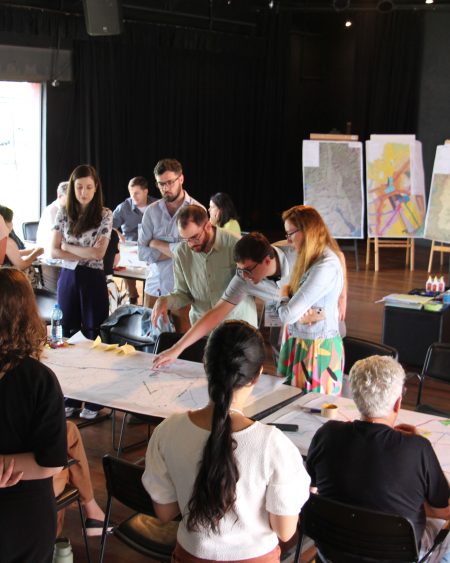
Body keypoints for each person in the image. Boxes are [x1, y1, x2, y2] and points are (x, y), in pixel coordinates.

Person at [143, 320, 310, 562]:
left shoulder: (167, 431)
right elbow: (285, 531)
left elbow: (165, 512)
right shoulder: (273, 444)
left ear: (205, 365)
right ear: (257, 376)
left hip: (190, 556)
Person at [306, 355, 450, 563]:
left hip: (331, 553)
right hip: (399, 557)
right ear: (398, 403)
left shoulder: (327, 434)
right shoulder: (418, 448)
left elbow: (311, 486)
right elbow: (444, 509)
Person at [152, 231, 311, 368]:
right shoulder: (243, 278)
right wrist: (177, 349)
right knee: (279, 348)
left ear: (267, 261)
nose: (244, 276)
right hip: (277, 305)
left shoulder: (301, 256)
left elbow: (327, 267)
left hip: (312, 313)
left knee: (306, 360)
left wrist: (323, 305)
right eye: (240, 270)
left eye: (247, 270)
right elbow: (215, 313)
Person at [0, 268, 67, 563]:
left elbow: (50, 462)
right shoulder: (39, 379)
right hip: (23, 515)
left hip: (21, 515)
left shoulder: (38, 380)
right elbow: (50, 462)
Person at [51, 164, 112, 419]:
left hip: (93, 279)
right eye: (79, 187)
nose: (83, 192)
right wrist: (76, 250)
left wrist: (68, 246)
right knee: (67, 334)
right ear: (72, 188)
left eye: (88, 187)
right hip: (68, 277)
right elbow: (53, 250)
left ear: (95, 188)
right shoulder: (64, 213)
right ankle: (72, 396)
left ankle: (94, 399)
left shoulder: (105, 214)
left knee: (92, 334)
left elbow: (98, 253)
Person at [151, 205, 257, 328]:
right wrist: (166, 300)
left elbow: (258, 285)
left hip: (239, 325)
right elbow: (183, 293)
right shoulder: (181, 252)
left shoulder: (236, 245)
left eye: (194, 237)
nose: (190, 245)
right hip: (203, 328)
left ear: (208, 226)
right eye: (185, 239)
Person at [276, 205, 344, 394]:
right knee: (287, 403)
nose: (288, 240)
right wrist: (309, 312)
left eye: (291, 234)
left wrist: (283, 294)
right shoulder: (307, 257)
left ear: (307, 231)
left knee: (311, 408)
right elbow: (293, 312)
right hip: (298, 341)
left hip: (316, 349)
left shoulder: (326, 265)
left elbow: (287, 315)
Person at [138, 158, 203, 333]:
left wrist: (156, 243)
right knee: (149, 341)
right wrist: (177, 249)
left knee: (183, 342)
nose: (165, 188)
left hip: (184, 291)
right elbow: (142, 253)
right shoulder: (151, 211)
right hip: (154, 286)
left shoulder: (197, 211)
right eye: (161, 184)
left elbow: (194, 254)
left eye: (170, 182)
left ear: (181, 179)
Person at [53, 421, 107, 537]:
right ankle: (91, 508)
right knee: (68, 430)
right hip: (34, 487)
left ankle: (92, 510)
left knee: (66, 431)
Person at [112, 176, 157, 304]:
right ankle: (132, 296)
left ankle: (151, 299)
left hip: (151, 247)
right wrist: (117, 232)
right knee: (124, 266)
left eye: (137, 193)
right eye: (131, 193)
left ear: (145, 191)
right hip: (130, 248)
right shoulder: (124, 207)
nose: (133, 197)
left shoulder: (157, 205)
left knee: (156, 270)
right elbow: (108, 225)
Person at [36, 181, 69, 292]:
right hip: (50, 261)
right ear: (59, 196)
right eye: (69, 198)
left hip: (59, 259)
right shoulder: (52, 211)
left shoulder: (65, 210)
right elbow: (60, 239)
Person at [0, 204, 44, 286]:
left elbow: (9, 255)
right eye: (11, 221)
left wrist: (29, 251)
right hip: (11, 285)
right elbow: (21, 265)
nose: (12, 224)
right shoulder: (6, 242)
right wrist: (36, 253)